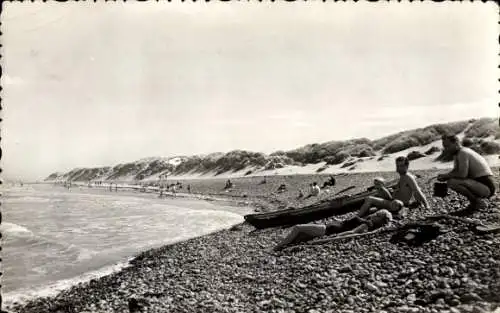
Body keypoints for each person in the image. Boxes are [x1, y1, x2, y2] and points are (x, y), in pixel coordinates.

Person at [273, 209, 393, 251]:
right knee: (298, 237)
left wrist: (332, 239)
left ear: (379, 219)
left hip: (326, 230)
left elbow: (352, 233)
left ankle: (277, 247)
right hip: (328, 227)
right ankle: (283, 245)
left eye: (377, 215)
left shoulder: (366, 225)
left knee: (298, 228)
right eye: (376, 213)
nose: (374, 214)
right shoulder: (367, 221)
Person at [437, 134, 496, 215]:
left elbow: (462, 174)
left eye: (447, 146)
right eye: (444, 146)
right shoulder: (458, 153)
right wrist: (445, 175)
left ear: (456, 143)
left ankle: (477, 202)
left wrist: (447, 176)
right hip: (481, 185)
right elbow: (455, 171)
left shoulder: (463, 153)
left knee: (452, 182)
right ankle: (476, 202)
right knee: (451, 180)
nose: (446, 149)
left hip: (487, 187)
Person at [357, 156, 429, 217]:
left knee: (369, 199)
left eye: (401, 166)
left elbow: (417, 191)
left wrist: (427, 206)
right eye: (397, 165)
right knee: (378, 192)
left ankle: (356, 218)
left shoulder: (408, 177)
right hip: (392, 201)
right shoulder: (403, 177)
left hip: (397, 204)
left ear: (407, 166)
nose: (398, 168)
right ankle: (362, 216)